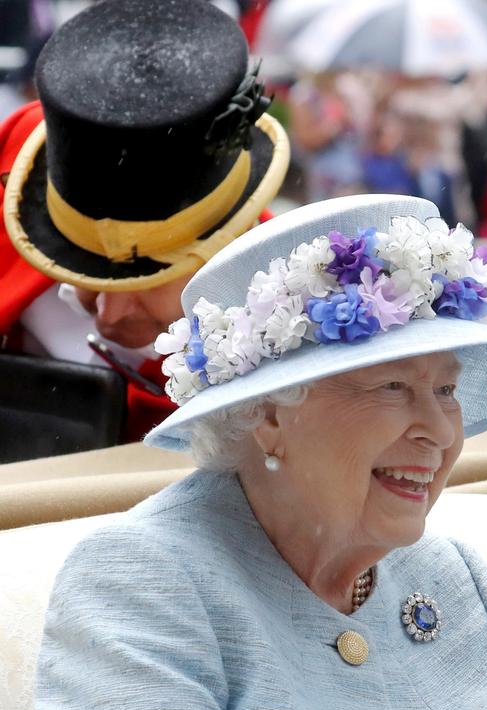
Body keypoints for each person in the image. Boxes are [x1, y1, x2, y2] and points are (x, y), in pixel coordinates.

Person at [35, 194, 487, 710]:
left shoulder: (448, 571)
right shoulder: (142, 581)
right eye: (393, 386)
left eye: (446, 392)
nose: (439, 431)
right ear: (268, 417)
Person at [0, 0, 288, 443]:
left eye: (148, 277)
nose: (108, 315)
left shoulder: (289, 319)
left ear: (234, 239)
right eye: (80, 267)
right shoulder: (21, 152)